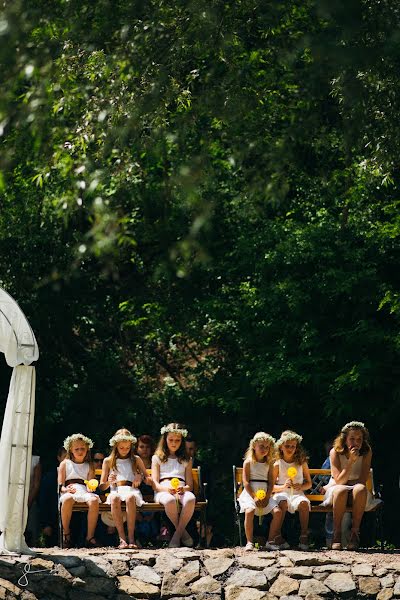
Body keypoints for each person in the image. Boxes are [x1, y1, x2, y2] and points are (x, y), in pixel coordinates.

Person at [321, 420, 381, 550]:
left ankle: (354, 533)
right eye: (352, 439)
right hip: (337, 487)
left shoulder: (366, 451)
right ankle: (336, 534)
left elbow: (362, 479)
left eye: (359, 439)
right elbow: (338, 481)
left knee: (360, 489)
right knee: (341, 490)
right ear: (345, 439)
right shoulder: (335, 452)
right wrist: (350, 462)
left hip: (356, 488)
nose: (356, 442)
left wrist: (350, 483)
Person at [100, 428, 151, 549]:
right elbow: (102, 486)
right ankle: (122, 538)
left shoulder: (136, 459)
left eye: (127, 448)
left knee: (130, 497)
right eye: (121, 448)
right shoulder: (108, 461)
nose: (124, 450)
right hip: (116, 490)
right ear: (115, 446)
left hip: (131, 490)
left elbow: (148, 479)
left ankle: (131, 537)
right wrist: (109, 481)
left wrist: (141, 476)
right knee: (115, 498)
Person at [151, 422, 196, 548]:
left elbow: (190, 485)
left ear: (182, 441)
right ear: (165, 439)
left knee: (191, 498)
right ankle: (183, 534)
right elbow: (155, 483)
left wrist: (184, 488)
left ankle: (176, 536)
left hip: (181, 490)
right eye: (171, 439)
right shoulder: (157, 458)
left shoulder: (187, 459)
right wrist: (166, 489)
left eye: (177, 440)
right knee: (170, 500)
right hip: (163, 490)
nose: (174, 443)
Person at [238, 432, 282, 551]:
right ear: (254, 446)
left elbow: (271, 482)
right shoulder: (248, 462)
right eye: (261, 446)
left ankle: (270, 540)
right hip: (250, 492)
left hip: (265, 492)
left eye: (267, 447)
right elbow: (246, 482)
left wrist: (268, 496)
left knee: (278, 512)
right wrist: (254, 497)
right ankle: (249, 542)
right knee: (250, 511)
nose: (264, 449)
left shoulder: (269, 463)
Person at [58, 433, 100, 548]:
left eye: (82, 448)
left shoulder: (89, 465)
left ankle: (89, 537)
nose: (80, 451)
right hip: (70, 490)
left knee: (94, 500)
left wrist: (92, 486)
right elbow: (60, 485)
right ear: (71, 450)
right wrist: (65, 489)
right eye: (77, 449)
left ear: (87, 449)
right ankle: (66, 533)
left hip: (84, 490)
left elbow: (91, 482)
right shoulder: (65, 464)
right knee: (67, 499)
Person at [272, 430, 311, 550]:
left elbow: (309, 484)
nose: (290, 449)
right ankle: (277, 536)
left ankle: (304, 536)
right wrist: (283, 486)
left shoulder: (301, 462)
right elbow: (271, 487)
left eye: (293, 446)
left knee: (304, 503)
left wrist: (301, 486)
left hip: (296, 493)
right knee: (282, 502)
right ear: (281, 447)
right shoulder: (277, 464)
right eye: (287, 446)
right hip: (281, 492)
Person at [39, 446, 66, 547]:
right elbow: (43, 501)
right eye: (65, 457)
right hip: (52, 522)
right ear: (59, 458)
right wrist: (46, 524)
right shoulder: (49, 477)